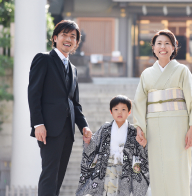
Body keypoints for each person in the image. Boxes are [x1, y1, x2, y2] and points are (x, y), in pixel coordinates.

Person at [133, 29, 192, 196]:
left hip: (178, 125)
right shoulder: (146, 74)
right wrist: (139, 128)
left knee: (178, 169)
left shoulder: (182, 71)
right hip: (154, 127)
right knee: (158, 170)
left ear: (174, 47)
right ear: (153, 48)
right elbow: (139, 103)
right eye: (159, 43)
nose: (162, 47)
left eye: (167, 43)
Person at [28, 20, 92, 196]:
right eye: (64, 34)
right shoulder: (44, 59)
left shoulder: (73, 69)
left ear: (76, 43)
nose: (68, 39)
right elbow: (34, 94)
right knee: (49, 175)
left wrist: (84, 126)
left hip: (67, 130)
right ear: (55, 38)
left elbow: (74, 103)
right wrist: (38, 123)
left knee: (59, 176)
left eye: (73, 36)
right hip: (48, 128)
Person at [76, 95, 149, 196]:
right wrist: (88, 141)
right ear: (111, 112)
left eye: (123, 109)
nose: (119, 112)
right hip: (105, 169)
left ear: (129, 112)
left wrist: (144, 145)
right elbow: (93, 146)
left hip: (125, 171)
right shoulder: (105, 128)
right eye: (116, 109)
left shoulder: (134, 131)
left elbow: (142, 154)